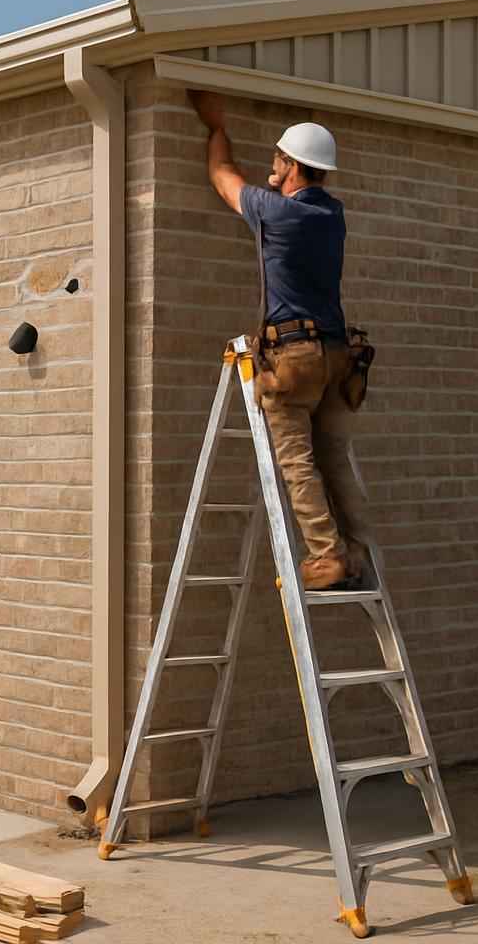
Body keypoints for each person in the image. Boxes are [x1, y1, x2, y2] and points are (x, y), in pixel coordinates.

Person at [187, 89, 371, 590]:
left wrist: (216, 128)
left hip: (294, 357)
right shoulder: (332, 216)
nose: (272, 164)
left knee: (296, 460)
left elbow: (223, 177)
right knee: (333, 458)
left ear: (291, 165)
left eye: (277, 157)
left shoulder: (277, 212)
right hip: (336, 356)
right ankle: (357, 553)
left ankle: (327, 556)